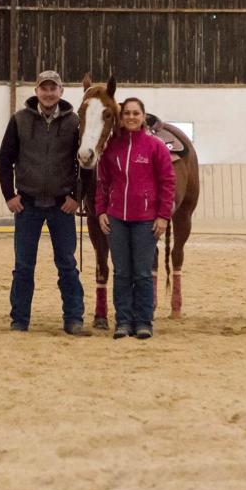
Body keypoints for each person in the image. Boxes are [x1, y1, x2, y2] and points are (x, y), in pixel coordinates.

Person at [0, 70, 89, 336]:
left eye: (54, 88)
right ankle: (20, 319)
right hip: (27, 205)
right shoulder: (19, 121)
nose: (49, 93)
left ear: (61, 91)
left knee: (67, 264)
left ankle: (74, 318)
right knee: (24, 265)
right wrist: (9, 195)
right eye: (44, 88)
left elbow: (84, 163)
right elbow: (5, 161)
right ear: (36, 91)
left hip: (62, 205)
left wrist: (77, 197)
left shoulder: (74, 123)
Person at [95, 97, 175, 340]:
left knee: (141, 272)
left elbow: (168, 183)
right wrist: (101, 211)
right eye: (127, 113)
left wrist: (163, 216)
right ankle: (123, 321)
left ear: (143, 116)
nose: (131, 117)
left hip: (145, 220)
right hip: (117, 219)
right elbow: (102, 183)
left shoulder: (156, 147)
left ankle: (143, 322)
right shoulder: (111, 149)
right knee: (121, 272)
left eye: (136, 113)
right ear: (121, 118)